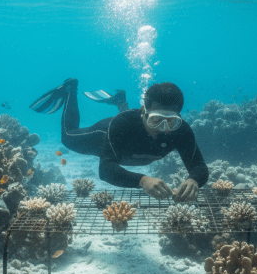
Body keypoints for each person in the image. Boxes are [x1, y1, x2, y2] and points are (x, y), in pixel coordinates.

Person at [29, 78, 208, 201]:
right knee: (68, 137)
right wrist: (142, 180)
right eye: (156, 119)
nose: (163, 128)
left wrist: (194, 180)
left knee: (137, 126)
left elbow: (198, 165)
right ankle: (70, 89)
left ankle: (120, 101)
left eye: (171, 121)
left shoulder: (181, 130)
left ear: (179, 117)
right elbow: (105, 170)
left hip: (131, 135)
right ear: (143, 112)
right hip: (107, 135)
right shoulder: (122, 125)